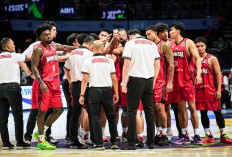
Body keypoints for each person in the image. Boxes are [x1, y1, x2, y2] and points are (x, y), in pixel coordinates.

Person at [31, 24, 77, 150]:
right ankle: (41, 141)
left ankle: (41, 131)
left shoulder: (53, 46)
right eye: (46, 34)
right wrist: (41, 83)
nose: (49, 36)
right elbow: (33, 67)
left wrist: (77, 48)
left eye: (49, 34)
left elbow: (65, 47)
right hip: (44, 84)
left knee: (59, 110)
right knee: (42, 113)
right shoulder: (38, 49)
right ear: (40, 36)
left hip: (55, 83)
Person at [121, 29, 160, 150]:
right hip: (149, 80)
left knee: (132, 111)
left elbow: (126, 65)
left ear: (130, 36)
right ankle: (150, 143)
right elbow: (157, 64)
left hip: (135, 79)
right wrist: (153, 80)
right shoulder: (152, 44)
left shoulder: (130, 44)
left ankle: (131, 144)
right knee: (149, 111)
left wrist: (123, 83)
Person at [79, 40, 119, 150]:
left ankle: (99, 143)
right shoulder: (109, 61)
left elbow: (84, 80)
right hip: (107, 90)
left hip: (94, 91)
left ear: (92, 48)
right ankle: (114, 142)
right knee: (111, 116)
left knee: (95, 116)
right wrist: (116, 93)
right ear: (102, 49)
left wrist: (82, 95)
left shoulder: (88, 61)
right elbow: (114, 79)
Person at [168, 22, 202, 145]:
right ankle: (185, 134)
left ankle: (197, 134)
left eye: (171, 30)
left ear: (178, 31)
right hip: (175, 81)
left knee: (192, 107)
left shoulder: (188, 42)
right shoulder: (169, 44)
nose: (169, 32)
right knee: (181, 109)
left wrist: (198, 75)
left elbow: (197, 58)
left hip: (187, 80)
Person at [194, 37, 232, 144]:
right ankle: (208, 135)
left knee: (217, 112)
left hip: (211, 91)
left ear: (205, 46)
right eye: (197, 46)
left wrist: (219, 90)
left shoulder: (212, 58)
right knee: (203, 113)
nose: (200, 48)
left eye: (201, 46)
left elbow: (218, 74)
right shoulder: (193, 59)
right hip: (199, 91)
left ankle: (223, 134)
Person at [64, 36, 95, 148]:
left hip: (75, 85)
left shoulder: (73, 53)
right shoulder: (89, 55)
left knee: (75, 112)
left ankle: (73, 140)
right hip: (85, 85)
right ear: (91, 44)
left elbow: (65, 69)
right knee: (91, 112)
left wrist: (71, 81)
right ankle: (94, 139)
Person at [146, 23, 174, 146]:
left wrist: (170, 82)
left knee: (160, 107)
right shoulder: (148, 47)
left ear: (155, 34)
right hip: (150, 81)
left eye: (149, 34)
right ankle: (158, 133)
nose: (147, 37)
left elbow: (171, 64)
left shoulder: (163, 46)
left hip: (161, 82)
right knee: (152, 109)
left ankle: (164, 135)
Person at [0, 37, 31, 150]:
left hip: (0, 89)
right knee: (17, 115)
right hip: (12, 87)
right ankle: (19, 142)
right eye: (12, 44)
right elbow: (29, 57)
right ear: (8, 46)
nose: (14, 46)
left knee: (2, 117)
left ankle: (5, 143)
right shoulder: (14, 56)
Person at [63, 33, 80, 141]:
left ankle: (73, 132)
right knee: (72, 108)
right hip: (69, 82)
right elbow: (66, 69)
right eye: (78, 40)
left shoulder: (78, 52)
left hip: (73, 82)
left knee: (76, 109)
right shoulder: (71, 53)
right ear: (74, 43)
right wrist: (70, 82)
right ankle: (69, 134)